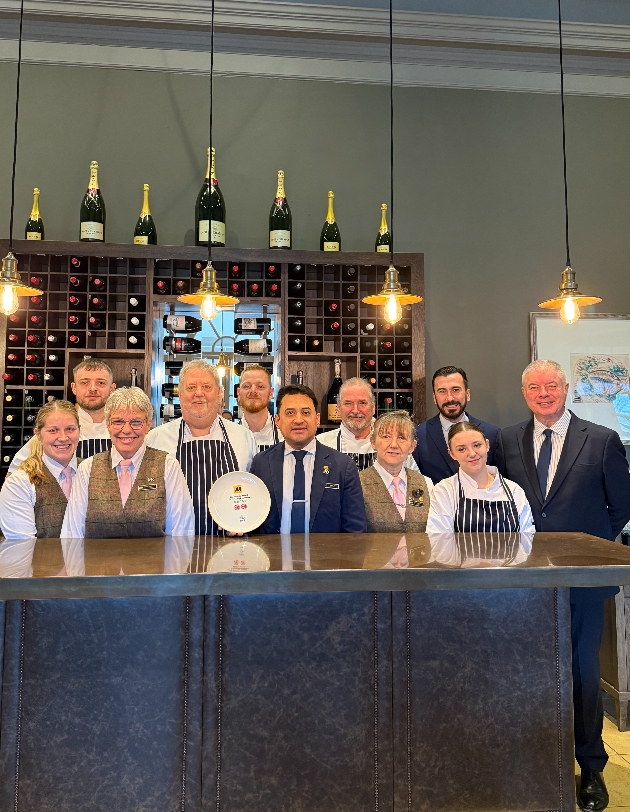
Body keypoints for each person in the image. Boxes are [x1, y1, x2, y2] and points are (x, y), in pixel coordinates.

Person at [496, 359, 630, 812]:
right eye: (534, 386)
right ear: (524, 392)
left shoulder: (602, 439)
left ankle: (591, 766)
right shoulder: (507, 440)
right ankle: (536, 759)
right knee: (528, 674)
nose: (544, 393)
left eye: (551, 385)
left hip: (584, 581)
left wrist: (584, 545)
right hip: (525, 581)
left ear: (566, 388)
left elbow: (621, 506)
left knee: (583, 675)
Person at [61, 387, 194, 538]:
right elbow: (72, 534)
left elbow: (181, 533)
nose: (126, 430)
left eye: (136, 422)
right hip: (95, 561)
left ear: (148, 425)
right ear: (108, 425)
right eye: (118, 422)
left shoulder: (168, 466)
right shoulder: (87, 468)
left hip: (154, 562)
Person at [146, 359, 256, 534]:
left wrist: (245, 518)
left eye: (206, 387)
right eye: (191, 388)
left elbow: (254, 493)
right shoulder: (155, 439)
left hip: (230, 549)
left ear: (219, 393)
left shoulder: (243, 437)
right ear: (180, 394)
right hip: (174, 550)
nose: (199, 393)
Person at [250, 384, 367, 534]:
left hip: (326, 556)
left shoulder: (343, 466)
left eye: (306, 412)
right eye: (290, 413)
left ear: (317, 419)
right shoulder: (261, 463)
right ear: (277, 421)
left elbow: (355, 530)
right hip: (273, 556)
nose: (298, 420)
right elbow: (252, 520)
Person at [427, 421, 534, 534]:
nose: (472, 453)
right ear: (452, 454)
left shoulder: (514, 490)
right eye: (461, 449)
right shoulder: (444, 491)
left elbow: (527, 538)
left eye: (477, 445)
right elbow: (439, 542)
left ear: (487, 445)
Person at [8, 359, 115, 471]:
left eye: (101, 383)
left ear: (112, 389)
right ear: (74, 388)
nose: (93, 388)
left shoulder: (124, 430)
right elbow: (14, 475)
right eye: (84, 382)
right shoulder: (51, 431)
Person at [0, 400, 80, 539]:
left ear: (79, 430)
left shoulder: (92, 472)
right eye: (53, 430)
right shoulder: (19, 483)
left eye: (70, 429)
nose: (63, 437)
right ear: (37, 434)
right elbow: (21, 548)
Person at [413, 366, 499, 484]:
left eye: (456, 390)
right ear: (434, 398)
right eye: (442, 391)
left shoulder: (493, 434)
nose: (450, 398)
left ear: (467, 394)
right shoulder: (417, 436)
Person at [318, 377, 418, 471]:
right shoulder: (321, 444)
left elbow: (414, 483)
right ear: (338, 408)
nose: (355, 410)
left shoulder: (395, 444)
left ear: (373, 407)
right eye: (348, 403)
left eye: (362, 403)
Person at [359, 410, 433, 533]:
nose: (393, 444)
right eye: (386, 436)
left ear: (412, 446)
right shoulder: (357, 484)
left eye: (401, 437)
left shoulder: (426, 483)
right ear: (373, 443)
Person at [236, 365, 283, 450]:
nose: (253, 391)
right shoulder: (227, 436)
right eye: (247, 386)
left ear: (270, 393)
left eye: (260, 386)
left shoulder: (285, 435)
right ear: (238, 393)